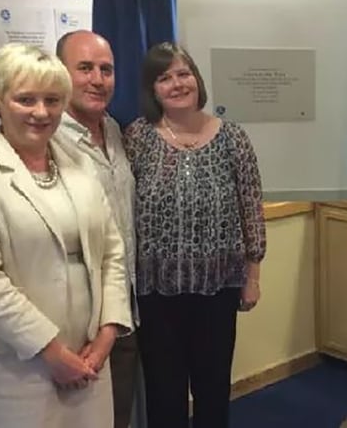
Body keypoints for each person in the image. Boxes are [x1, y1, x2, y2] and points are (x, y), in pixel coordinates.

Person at [0, 43, 132, 428]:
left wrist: (108, 332)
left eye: (52, 100)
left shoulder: (81, 167)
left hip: (91, 355)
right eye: (25, 99)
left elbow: (112, 252)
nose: (41, 112)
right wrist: (52, 352)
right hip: (16, 363)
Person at [124, 42, 266, 428]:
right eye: (164, 78)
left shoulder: (232, 137)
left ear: (197, 79)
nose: (176, 84)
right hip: (155, 292)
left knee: (213, 388)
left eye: (183, 73)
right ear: (152, 89)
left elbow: (251, 207)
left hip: (218, 289)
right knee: (163, 392)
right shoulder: (136, 138)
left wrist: (252, 277)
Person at [55, 29, 139, 428]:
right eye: (84, 68)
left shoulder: (116, 131)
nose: (97, 79)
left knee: (117, 415)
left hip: (124, 309)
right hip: (79, 322)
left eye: (106, 70)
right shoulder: (47, 140)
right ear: (60, 73)